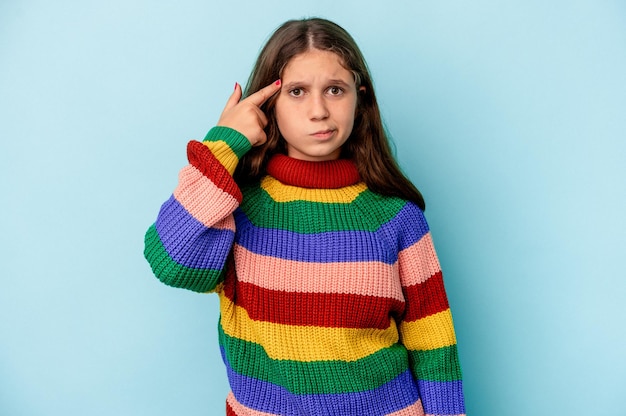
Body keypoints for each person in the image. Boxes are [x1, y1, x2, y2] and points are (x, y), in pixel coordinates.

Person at [144, 17, 466, 416]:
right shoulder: (236, 208)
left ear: (359, 98)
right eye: (297, 92)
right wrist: (223, 143)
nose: (318, 111)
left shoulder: (395, 218)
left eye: (335, 90)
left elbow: (434, 344)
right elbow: (169, 261)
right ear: (268, 106)